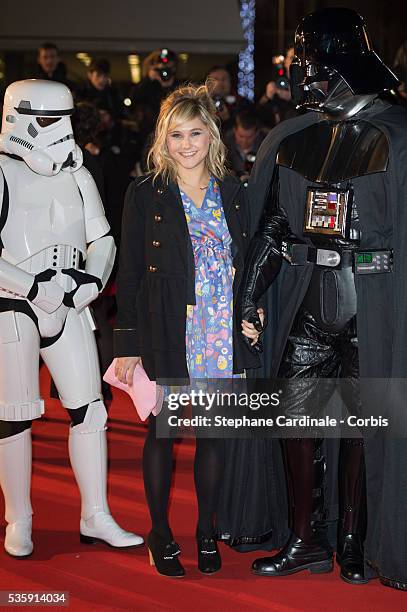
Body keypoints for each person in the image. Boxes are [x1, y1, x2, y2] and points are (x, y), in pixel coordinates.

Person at [238, 7, 407, 591]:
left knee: (364, 424)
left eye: (309, 56)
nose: (300, 70)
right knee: (294, 416)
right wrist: (249, 295)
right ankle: (307, 540)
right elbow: (274, 226)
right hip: (310, 300)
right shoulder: (296, 137)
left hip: (374, 305)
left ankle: (356, 543)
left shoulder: (397, 134)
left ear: (337, 57)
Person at [113, 84, 262, 577]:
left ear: (211, 134)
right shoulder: (145, 194)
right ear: (163, 138)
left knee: (214, 438)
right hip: (169, 330)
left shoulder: (234, 191)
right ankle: (159, 533)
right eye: (176, 134)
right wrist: (128, 343)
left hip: (220, 332)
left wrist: (250, 313)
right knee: (165, 433)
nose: (186, 143)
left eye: (195, 132)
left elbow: (249, 265)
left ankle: (206, 531)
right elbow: (130, 272)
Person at [0, 79, 143, 558]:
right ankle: (18, 516)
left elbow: (103, 239)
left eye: (65, 119)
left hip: (70, 301)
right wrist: (34, 287)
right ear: (17, 117)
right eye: (47, 120)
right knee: (14, 417)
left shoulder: (78, 173)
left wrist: (91, 281)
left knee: (91, 409)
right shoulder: (1, 172)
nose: (59, 132)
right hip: (14, 303)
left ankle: (95, 513)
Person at [256, 46, 297, 129]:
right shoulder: (275, 80)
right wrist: (267, 96)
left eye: (297, 58)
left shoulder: (308, 84)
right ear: (285, 61)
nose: (295, 62)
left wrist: (293, 98)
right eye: (292, 58)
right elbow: (258, 114)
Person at [224, 110, 266, 181]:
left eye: (249, 137)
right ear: (235, 131)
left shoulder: (265, 148)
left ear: (257, 133)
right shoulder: (224, 146)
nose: (244, 141)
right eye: (241, 136)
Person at [207, 66, 251, 132]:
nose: (220, 83)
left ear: (230, 81)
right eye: (215, 79)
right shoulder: (201, 102)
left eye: (224, 79)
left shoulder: (242, 102)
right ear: (208, 83)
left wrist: (228, 120)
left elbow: (247, 129)